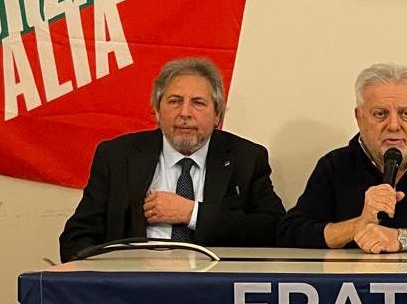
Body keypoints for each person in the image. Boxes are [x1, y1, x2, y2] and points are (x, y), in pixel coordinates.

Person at [59, 57, 284, 261]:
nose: (185, 113)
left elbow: (274, 228)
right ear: (157, 111)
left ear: (218, 115)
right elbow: (76, 238)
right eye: (174, 101)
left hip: (212, 284)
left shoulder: (246, 158)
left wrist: (192, 213)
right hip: (136, 284)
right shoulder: (117, 156)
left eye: (198, 103)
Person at [278, 63, 407, 252]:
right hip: (352, 281)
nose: (394, 125)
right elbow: (292, 232)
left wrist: (401, 239)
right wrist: (359, 225)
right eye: (380, 114)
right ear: (359, 117)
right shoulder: (335, 165)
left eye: (406, 113)